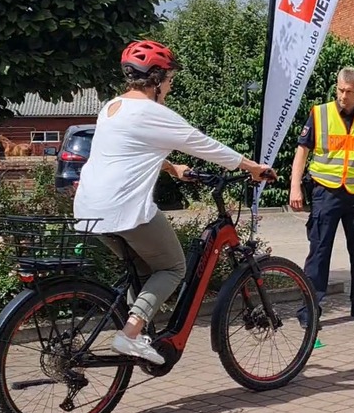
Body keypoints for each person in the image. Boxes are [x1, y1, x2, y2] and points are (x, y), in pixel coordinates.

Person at [73, 40, 276, 365]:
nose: (170, 85)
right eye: (169, 78)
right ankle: (130, 335)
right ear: (155, 78)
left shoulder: (112, 108)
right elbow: (203, 144)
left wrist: (171, 167)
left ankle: (137, 332)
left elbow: (126, 149)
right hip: (125, 210)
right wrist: (253, 167)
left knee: (142, 271)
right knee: (172, 267)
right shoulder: (153, 112)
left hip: (88, 210)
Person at [289, 67, 354, 321]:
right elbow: (302, 151)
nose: (343, 96)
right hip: (326, 191)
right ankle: (310, 310)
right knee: (320, 252)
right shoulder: (320, 114)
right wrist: (295, 186)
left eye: (348, 91)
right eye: (340, 90)